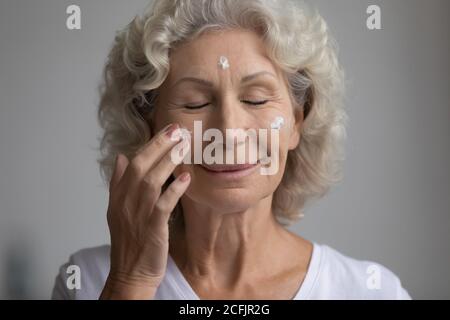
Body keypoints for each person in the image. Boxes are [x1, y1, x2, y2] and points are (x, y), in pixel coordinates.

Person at [52, 0, 411, 299]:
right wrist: (130, 283)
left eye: (255, 99)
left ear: (296, 122)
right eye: (194, 104)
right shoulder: (88, 280)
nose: (228, 131)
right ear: (149, 128)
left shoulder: (370, 291)